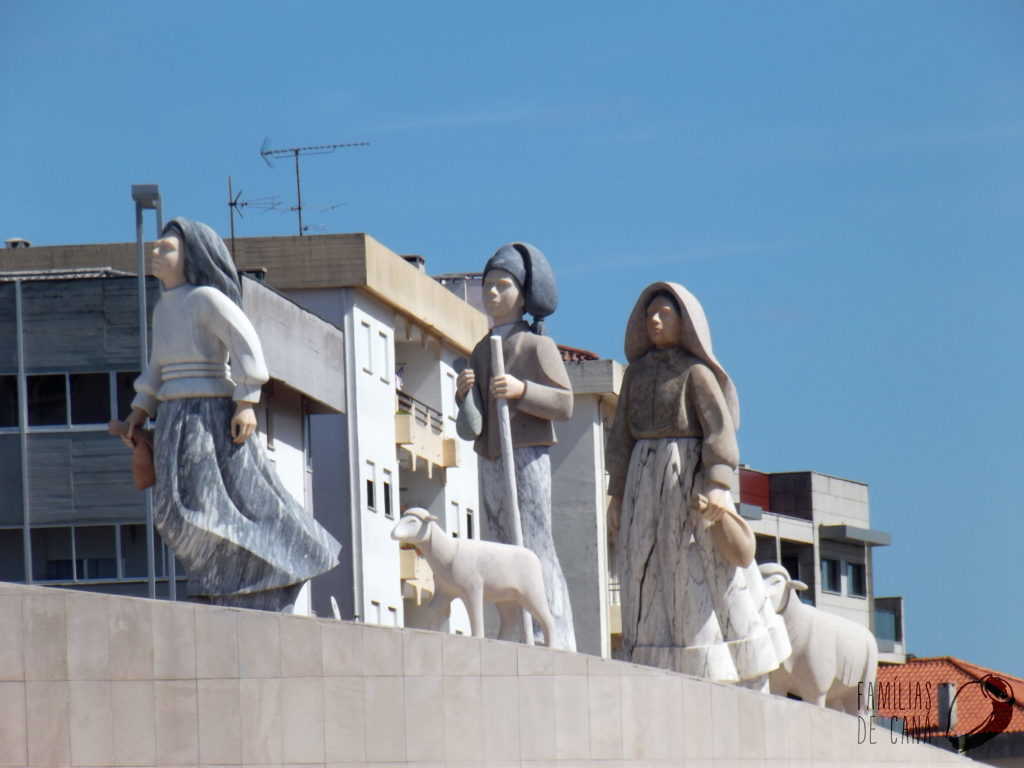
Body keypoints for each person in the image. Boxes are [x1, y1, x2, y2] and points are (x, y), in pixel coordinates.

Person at [122, 217, 340, 611]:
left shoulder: (207, 299)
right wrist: (141, 409)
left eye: (166, 248)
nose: (155, 252)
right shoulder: (164, 307)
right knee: (172, 510)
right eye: (155, 247)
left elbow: (245, 344)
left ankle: (254, 577)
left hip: (207, 414)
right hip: (172, 414)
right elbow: (158, 365)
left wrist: (246, 401)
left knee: (207, 505)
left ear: (192, 256)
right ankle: (214, 579)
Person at [606, 281, 788, 687]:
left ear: (685, 322)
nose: (655, 321)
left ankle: (714, 657)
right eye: (649, 314)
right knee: (646, 568)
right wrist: (617, 491)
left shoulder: (697, 373)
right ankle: (651, 652)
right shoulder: (635, 375)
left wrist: (718, 482)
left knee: (697, 567)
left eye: (664, 314)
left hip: (686, 478)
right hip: (641, 481)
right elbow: (620, 438)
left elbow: (719, 432)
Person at [455, 242, 577, 650]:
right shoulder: (480, 350)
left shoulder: (535, 346)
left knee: (533, 543)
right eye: (487, 285)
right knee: (500, 546)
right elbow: (473, 425)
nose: (492, 293)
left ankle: (550, 629)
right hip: (491, 456)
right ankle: (512, 625)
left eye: (502, 285)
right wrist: (465, 396)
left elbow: (564, 402)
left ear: (523, 294)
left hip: (526, 453)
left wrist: (522, 390)